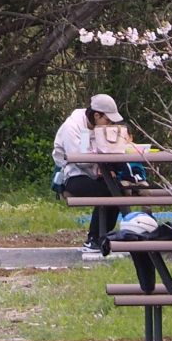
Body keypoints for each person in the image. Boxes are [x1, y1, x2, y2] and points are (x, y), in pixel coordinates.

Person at [53, 93, 132, 260]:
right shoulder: (73, 126)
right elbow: (79, 159)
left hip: (95, 172)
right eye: (108, 120)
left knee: (117, 188)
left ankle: (104, 238)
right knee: (111, 190)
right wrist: (100, 167)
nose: (109, 124)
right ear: (97, 115)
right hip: (73, 176)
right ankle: (94, 239)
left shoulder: (96, 127)